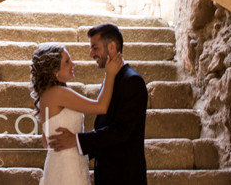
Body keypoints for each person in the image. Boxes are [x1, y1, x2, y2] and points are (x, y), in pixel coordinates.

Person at [46, 23, 148, 185]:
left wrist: (77, 141)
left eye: (95, 48)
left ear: (112, 47)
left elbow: (121, 131)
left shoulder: (132, 81)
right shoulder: (111, 77)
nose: (91, 54)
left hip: (124, 177)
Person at [30, 42, 124, 184]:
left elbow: (46, 142)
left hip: (59, 166)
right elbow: (101, 107)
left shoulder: (47, 95)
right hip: (68, 169)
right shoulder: (59, 93)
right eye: (67, 61)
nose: (73, 64)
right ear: (54, 70)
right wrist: (110, 74)